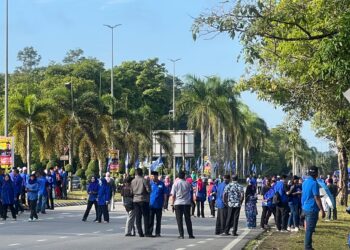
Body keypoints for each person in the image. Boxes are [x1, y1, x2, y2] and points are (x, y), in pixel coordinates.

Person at [302, 166, 325, 250]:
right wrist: (322, 210)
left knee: (308, 229)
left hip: (305, 207)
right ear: (316, 173)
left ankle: (308, 246)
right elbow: (316, 198)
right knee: (309, 230)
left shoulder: (305, 182)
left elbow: (305, 195)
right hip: (312, 209)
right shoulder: (314, 183)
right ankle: (308, 247)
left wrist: (302, 206)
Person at [171, 171, 195, 239]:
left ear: (178, 176)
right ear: (184, 176)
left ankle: (181, 235)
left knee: (179, 220)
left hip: (178, 203)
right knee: (188, 219)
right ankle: (190, 234)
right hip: (186, 203)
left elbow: (173, 195)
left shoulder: (175, 184)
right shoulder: (188, 183)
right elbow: (190, 192)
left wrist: (172, 204)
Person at [130, 168, 151, 237]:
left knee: (138, 217)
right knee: (146, 216)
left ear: (136, 173)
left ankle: (140, 232)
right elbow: (148, 190)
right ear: (142, 173)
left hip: (135, 199)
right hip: (143, 199)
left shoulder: (133, 181)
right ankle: (147, 232)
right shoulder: (144, 180)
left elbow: (131, 192)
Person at [149, 171, 166, 237]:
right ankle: (150, 232)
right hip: (151, 205)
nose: (153, 177)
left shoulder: (161, 184)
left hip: (159, 205)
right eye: (152, 176)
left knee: (158, 220)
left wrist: (165, 202)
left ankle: (157, 232)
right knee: (150, 220)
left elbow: (164, 194)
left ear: (157, 176)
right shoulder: (150, 183)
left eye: (154, 176)